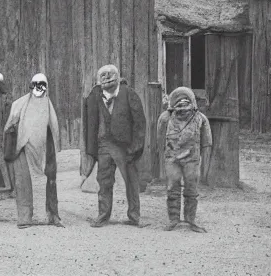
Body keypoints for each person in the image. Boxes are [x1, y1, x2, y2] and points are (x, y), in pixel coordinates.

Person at [82, 64, 147, 228]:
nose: (107, 78)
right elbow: (90, 122)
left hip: (125, 146)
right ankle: (103, 216)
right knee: (104, 181)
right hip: (103, 145)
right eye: (103, 75)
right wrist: (92, 148)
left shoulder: (129, 93)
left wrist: (135, 147)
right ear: (99, 80)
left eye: (111, 75)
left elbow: (139, 123)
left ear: (117, 77)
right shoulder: (95, 95)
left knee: (131, 181)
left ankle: (134, 217)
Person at [4, 73, 63, 229]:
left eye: (42, 84)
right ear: (31, 85)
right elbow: (9, 127)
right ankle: (24, 217)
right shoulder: (19, 104)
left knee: (51, 180)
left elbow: (53, 129)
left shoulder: (48, 106)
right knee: (22, 182)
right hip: (21, 148)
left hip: (44, 149)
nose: (39, 87)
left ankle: (53, 216)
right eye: (35, 84)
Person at [157, 86, 212, 233]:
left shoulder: (200, 119)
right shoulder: (165, 118)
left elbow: (207, 142)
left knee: (191, 190)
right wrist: (162, 159)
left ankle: (190, 220)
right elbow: (159, 140)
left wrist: (205, 166)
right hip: (172, 159)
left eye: (185, 103)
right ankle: (173, 219)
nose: (182, 107)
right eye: (179, 104)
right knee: (172, 189)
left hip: (192, 160)